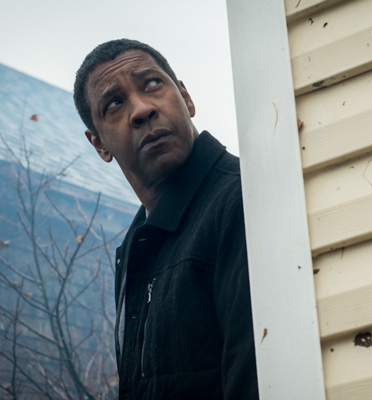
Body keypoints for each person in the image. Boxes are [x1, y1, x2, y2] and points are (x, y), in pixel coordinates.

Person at [73, 39, 259, 400]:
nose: (142, 109)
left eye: (152, 84)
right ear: (99, 145)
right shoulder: (135, 248)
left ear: (186, 98)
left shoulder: (242, 198)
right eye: (114, 103)